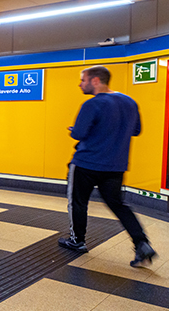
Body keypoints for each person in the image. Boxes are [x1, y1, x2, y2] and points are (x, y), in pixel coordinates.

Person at [58, 65, 157, 267]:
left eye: (83, 80)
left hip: (85, 163)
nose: (80, 84)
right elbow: (136, 130)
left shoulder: (92, 104)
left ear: (95, 80)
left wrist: (74, 129)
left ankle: (77, 241)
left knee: (78, 202)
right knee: (118, 205)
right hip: (115, 166)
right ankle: (142, 243)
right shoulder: (130, 102)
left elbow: (78, 134)